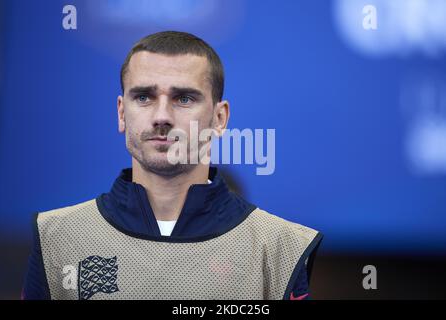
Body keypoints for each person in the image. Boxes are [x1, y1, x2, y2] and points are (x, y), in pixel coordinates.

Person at [22, 31, 323, 300]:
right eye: (143, 96)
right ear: (122, 112)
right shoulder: (57, 237)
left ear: (220, 119)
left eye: (183, 98)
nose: (162, 116)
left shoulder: (279, 247)